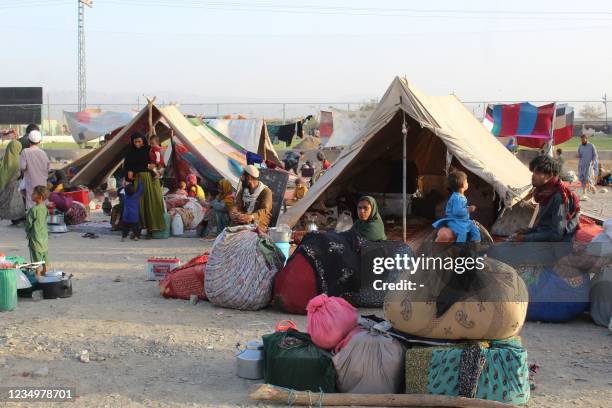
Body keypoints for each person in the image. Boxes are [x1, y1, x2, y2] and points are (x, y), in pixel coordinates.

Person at [510, 155, 579, 242]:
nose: (533, 176)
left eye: (537, 173)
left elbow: (557, 234)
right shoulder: (544, 192)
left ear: (549, 175)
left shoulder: (559, 197)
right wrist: (528, 231)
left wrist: (525, 238)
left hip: (560, 243)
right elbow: (546, 223)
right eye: (533, 172)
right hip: (547, 233)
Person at [123, 132, 165, 237]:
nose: (137, 143)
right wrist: (128, 175)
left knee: (151, 203)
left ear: (143, 141)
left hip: (151, 180)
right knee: (139, 205)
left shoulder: (149, 149)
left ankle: (151, 229)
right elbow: (127, 167)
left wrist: (158, 171)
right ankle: (138, 229)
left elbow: (161, 163)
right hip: (138, 180)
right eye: (135, 141)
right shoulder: (129, 153)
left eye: (139, 141)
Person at [432, 171, 481, 242]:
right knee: (462, 232)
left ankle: (475, 243)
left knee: (474, 228)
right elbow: (457, 212)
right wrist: (468, 210)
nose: (467, 184)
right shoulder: (457, 198)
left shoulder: (460, 196)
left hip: (462, 220)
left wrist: (467, 208)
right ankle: (459, 247)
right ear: (462, 184)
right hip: (455, 220)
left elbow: (461, 207)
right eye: (466, 182)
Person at [231, 165, 273, 230]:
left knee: (247, 231)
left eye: (243, 177)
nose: (241, 179)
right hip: (245, 217)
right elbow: (237, 204)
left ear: (249, 177)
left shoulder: (266, 191)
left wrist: (252, 217)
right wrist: (234, 212)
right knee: (232, 228)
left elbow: (265, 210)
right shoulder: (243, 190)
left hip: (259, 220)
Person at [19, 129, 50, 210]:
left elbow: (22, 167)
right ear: (39, 141)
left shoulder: (25, 152)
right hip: (42, 182)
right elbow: (48, 168)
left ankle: (32, 220)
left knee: (31, 201)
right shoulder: (43, 153)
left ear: (29, 140)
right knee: (42, 200)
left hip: (31, 182)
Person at [0, 129, 26, 223]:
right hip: (16, 186)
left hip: (7, 186)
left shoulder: (5, 159)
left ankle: (14, 217)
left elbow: (3, 174)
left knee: (8, 202)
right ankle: (17, 217)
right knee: (16, 203)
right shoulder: (19, 160)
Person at [25, 185, 49, 277]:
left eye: (34, 193)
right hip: (44, 236)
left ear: (40, 196)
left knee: (36, 256)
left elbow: (29, 224)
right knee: (44, 253)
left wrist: (27, 231)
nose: (31, 194)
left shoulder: (33, 210)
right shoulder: (44, 208)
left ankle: (37, 274)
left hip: (35, 236)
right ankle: (45, 270)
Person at [577, 134, 598, 199]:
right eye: (581, 140)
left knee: (587, 178)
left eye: (583, 140)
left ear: (586, 139)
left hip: (589, 165)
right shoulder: (580, 146)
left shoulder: (591, 145)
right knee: (582, 179)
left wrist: (593, 161)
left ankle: (593, 188)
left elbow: (595, 155)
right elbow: (580, 155)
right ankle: (584, 192)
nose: (582, 141)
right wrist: (578, 156)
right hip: (581, 164)